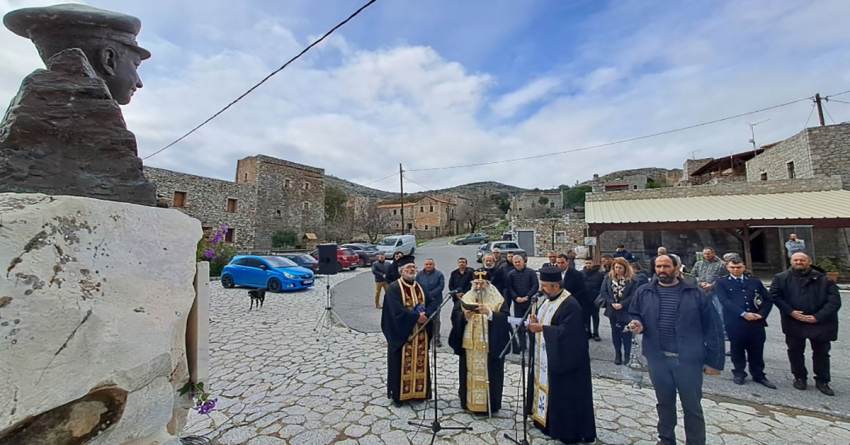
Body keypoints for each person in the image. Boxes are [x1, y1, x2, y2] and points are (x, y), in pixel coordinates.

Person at [628, 254, 724, 445]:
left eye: (666, 266)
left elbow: (713, 329)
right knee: (664, 404)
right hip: (658, 359)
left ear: (677, 268)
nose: (662, 270)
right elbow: (634, 312)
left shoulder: (696, 293)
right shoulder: (644, 291)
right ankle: (666, 440)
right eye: (658, 267)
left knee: (692, 406)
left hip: (687, 360)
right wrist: (637, 323)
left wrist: (715, 362)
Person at [526, 264, 597, 444]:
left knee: (563, 396)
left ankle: (565, 431)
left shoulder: (570, 304)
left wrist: (542, 328)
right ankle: (545, 422)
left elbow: (569, 334)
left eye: (544, 286)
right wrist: (535, 321)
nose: (541, 289)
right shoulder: (547, 301)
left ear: (555, 286)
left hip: (566, 362)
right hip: (547, 357)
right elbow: (546, 323)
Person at [770, 252, 841, 396]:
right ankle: (799, 377)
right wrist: (791, 312)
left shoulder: (825, 278)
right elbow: (775, 296)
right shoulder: (781, 278)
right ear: (791, 262)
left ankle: (822, 380)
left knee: (822, 353)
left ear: (809, 262)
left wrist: (817, 317)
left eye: (802, 260)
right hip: (794, 321)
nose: (799, 262)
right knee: (795, 352)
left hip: (820, 323)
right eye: (796, 260)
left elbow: (834, 301)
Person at [448, 271, 511, 414]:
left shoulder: (498, 299)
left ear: (488, 284)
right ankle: (468, 403)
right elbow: (455, 316)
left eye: (482, 283)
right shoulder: (467, 297)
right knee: (468, 373)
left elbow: (505, 319)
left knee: (491, 374)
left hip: (489, 345)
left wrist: (489, 313)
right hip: (470, 346)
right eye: (476, 283)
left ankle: (490, 404)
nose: (479, 286)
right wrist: (464, 316)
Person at [714, 256, 776, 388]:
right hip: (735, 322)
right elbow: (724, 301)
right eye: (732, 267)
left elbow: (768, 299)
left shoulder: (754, 282)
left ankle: (758, 374)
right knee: (737, 349)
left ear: (744, 267)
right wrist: (743, 314)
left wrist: (761, 315)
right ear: (727, 267)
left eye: (739, 267)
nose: (736, 270)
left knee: (757, 349)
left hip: (756, 322)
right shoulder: (721, 282)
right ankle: (739, 372)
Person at [381, 261, 431, 406]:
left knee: (420, 362)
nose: (412, 270)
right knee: (400, 364)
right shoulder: (394, 288)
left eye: (414, 267)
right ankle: (399, 396)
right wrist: (416, 318)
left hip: (420, 334)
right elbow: (395, 312)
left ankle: (419, 393)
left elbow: (431, 302)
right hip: (402, 335)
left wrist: (427, 314)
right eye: (408, 268)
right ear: (401, 271)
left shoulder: (420, 287)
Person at [601, 258, 638, 365]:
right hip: (613, 310)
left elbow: (633, 295)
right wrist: (612, 302)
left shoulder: (632, 280)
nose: (618, 270)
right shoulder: (608, 278)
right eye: (616, 267)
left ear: (625, 268)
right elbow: (603, 291)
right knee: (615, 332)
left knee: (626, 333)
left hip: (626, 310)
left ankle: (627, 354)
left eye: (620, 268)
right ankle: (618, 354)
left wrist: (622, 304)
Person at [556, 254, 595, 340]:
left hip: (573, 303)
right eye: (558, 263)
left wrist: (568, 298)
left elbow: (582, 290)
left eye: (562, 262)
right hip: (558, 304)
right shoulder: (555, 274)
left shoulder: (576, 274)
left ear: (567, 262)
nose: (560, 265)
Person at [506, 255, 538, 353]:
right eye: (515, 262)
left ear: (523, 261)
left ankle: (533, 345)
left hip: (530, 303)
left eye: (519, 261)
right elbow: (509, 288)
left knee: (531, 324)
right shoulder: (511, 274)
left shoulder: (531, 272)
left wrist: (527, 296)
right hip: (518, 303)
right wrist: (516, 297)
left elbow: (535, 285)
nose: (517, 264)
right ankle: (522, 345)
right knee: (519, 325)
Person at [692, 247, 726, 331]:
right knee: (700, 311)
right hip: (701, 291)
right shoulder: (698, 264)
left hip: (716, 291)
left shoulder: (721, 264)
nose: (706, 255)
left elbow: (724, 277)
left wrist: (713, 285)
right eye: (705, 253)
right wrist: (699, 283)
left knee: (720, 311)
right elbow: (692, 275)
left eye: (708, 253)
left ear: (713, 253)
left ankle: (722, 331)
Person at [416, 258, 446, 348]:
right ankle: (424, 337)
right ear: (424, 265)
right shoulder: (419, 274)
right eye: (427, 264)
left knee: (435, 320)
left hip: (435, 301)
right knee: (423, 319)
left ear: (434, 265)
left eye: (430, 264)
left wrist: (429, 295)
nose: (428, 266)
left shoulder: (439, 274)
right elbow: (416, 285)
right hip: (422, 301)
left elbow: (441, 286)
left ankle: (436, 338)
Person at [581, 259, 605, 341]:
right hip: (584, 299)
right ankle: (588, 332)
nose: (588, 264)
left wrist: (599, 295)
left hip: (595, 299)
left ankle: (596, 333)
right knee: (586, 317)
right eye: (586, 263)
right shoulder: (581, 273)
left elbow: (602, 287)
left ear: (593, 263)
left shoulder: (599, 274)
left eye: (590, 263)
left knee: (595, 316)